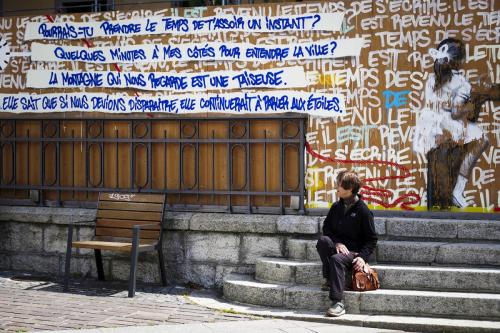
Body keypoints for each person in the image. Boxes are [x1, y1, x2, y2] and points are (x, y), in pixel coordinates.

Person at [412, 38, 498, 207]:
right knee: (482, 139)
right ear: (459, 61)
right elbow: (456, 113)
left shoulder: (432, 78)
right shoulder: (461, 82)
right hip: (446, 126)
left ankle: (448, 197)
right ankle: (458, 190)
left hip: (428, 128)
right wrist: (473, 101)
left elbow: (436, 104)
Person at [316, 170, 377, 317]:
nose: (336, 188)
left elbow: (371, 239)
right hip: (339, 248)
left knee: (336, 259)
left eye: (339, 186)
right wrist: (337, 243)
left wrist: (362, 257)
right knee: (323, 241)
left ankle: (338, 302)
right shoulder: (336, 207)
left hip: (353, 253)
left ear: (350, 189)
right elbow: (327, 228)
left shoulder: (363, 211)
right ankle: (330, 280)